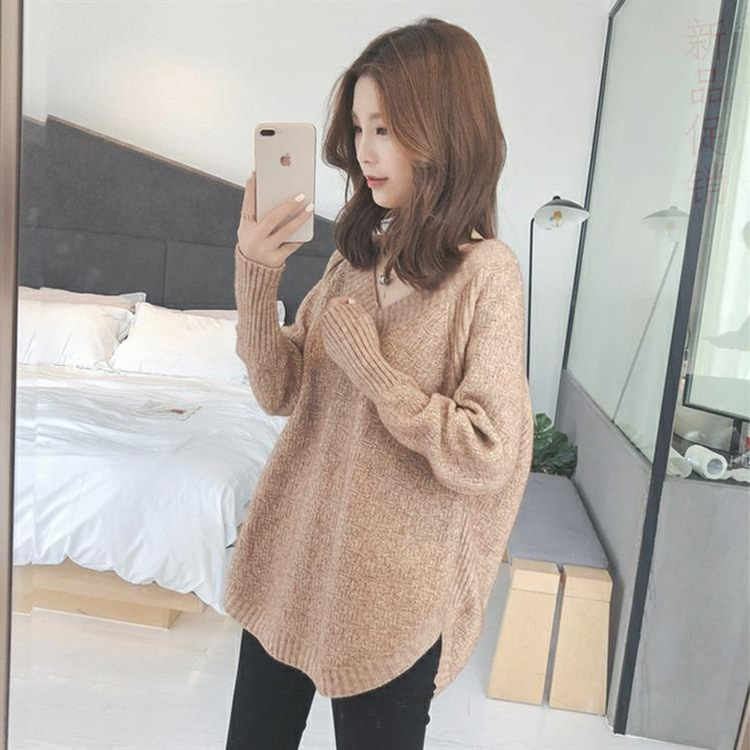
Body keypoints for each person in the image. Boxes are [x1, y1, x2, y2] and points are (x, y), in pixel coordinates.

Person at [224, 16, 534, 750]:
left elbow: (488, 454)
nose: (366, 150)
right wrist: (256, 273)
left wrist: (378, 376)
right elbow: (279, 390)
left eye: (386, 128)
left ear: (445, 129)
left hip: (393, 600)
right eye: (360, 128)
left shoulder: (486, 275)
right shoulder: (354, 260)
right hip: (292, 559)